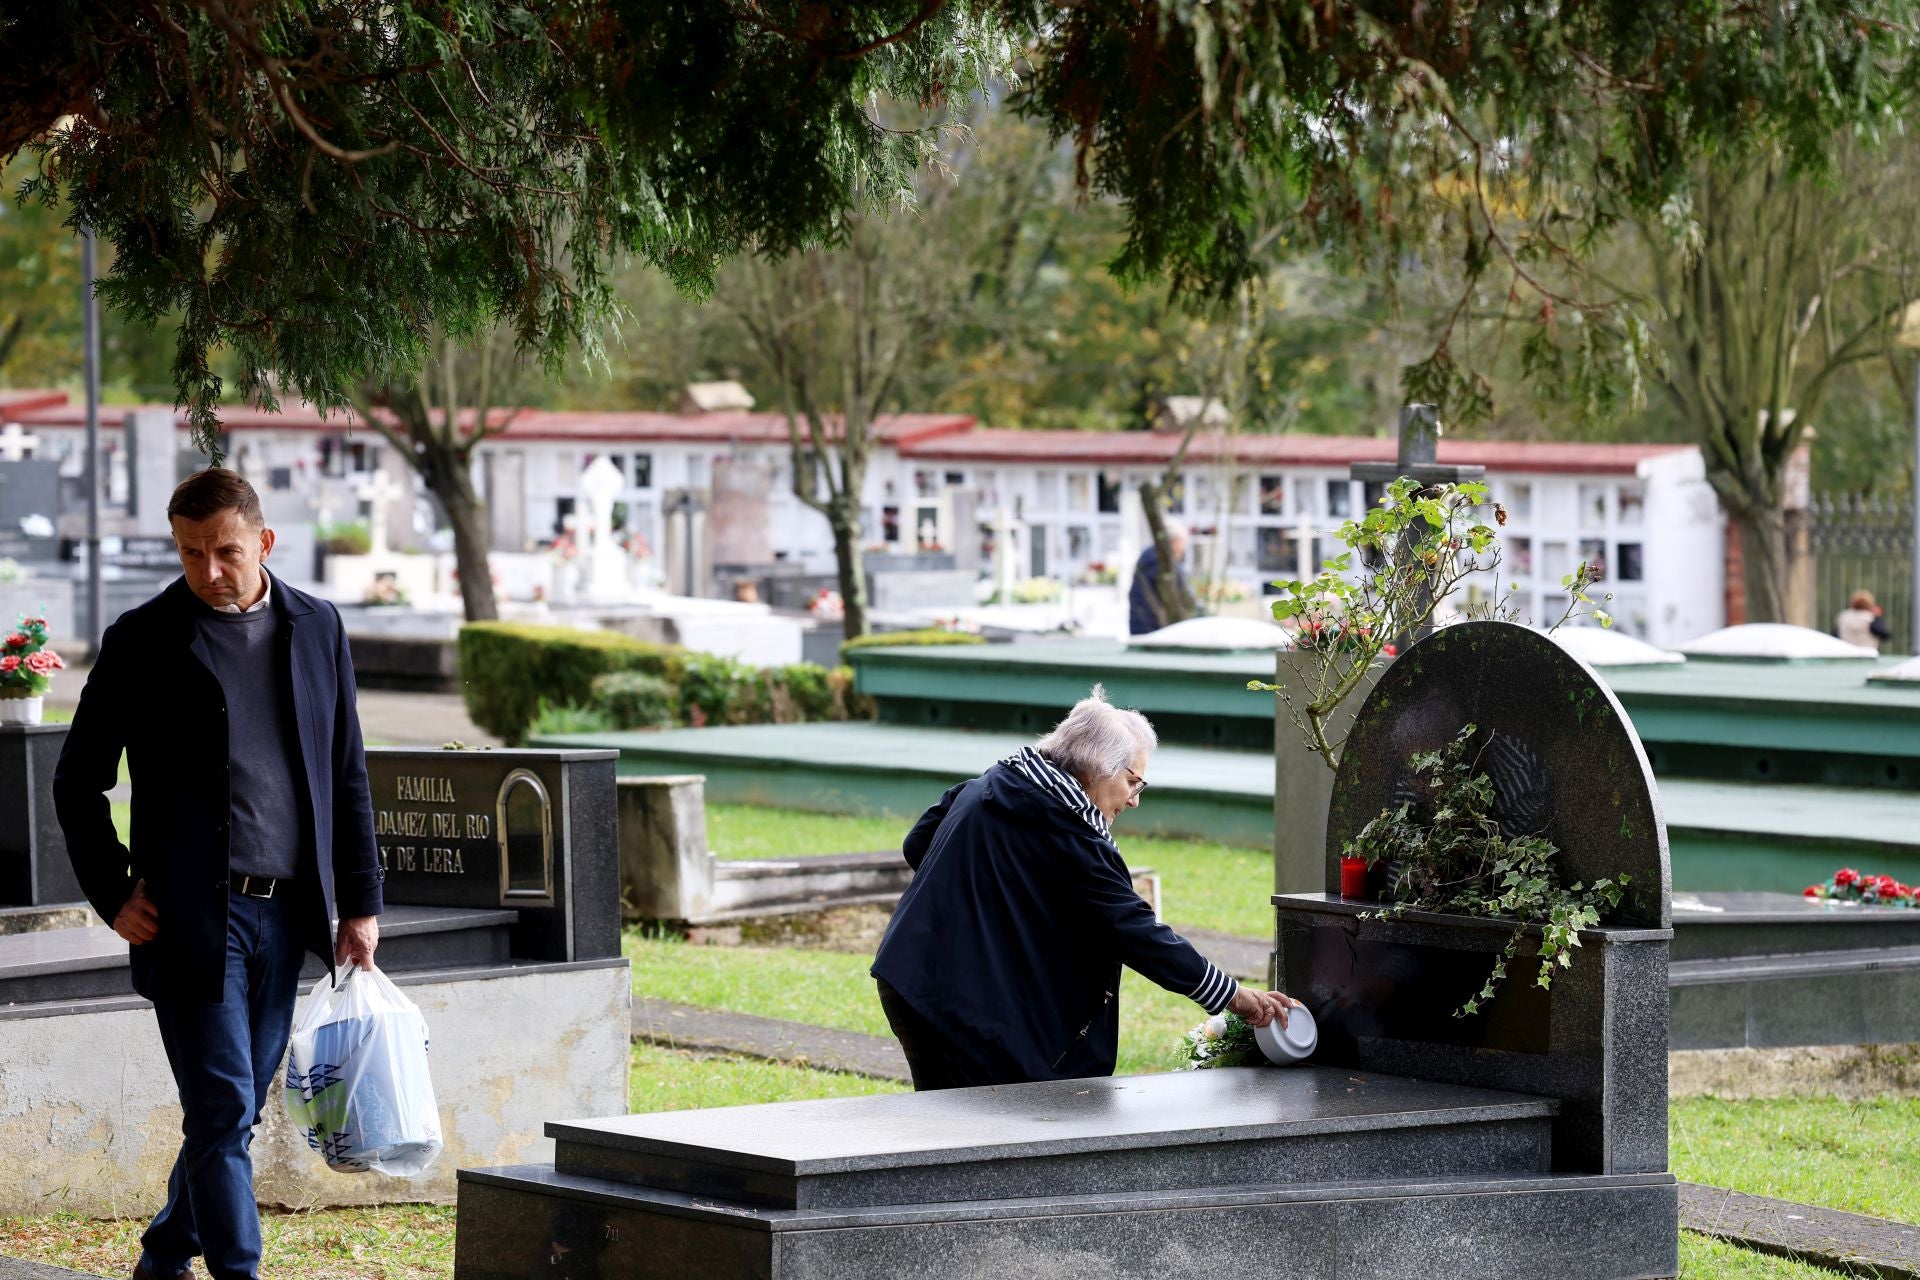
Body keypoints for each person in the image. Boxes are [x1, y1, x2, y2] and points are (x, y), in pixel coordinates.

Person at [53, 468, 385, 1280]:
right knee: (221, 1106)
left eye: (225, 551)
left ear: (263, 542)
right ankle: (239, 1272)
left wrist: (361, 903)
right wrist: (111, 890)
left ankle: (166, 1253)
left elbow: (346, 771)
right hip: (191, 920)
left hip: (289, 914)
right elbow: (76, 778)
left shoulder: (318, 626)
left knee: (226, 1115)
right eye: (190, 552)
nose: (207, 570)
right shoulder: (144, 637)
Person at [871, 686, 1298, 1089]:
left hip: (908, 977)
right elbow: (1137, 933)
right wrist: (1234, 996)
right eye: (1133, 782)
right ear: (1098, 767)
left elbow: (918, 845)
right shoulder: (1071, 834)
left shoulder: (990, 784)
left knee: (946, 1130)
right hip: (965, 1004)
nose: (1135, 800)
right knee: (996, 1138)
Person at [1127, 518, 1192, 634]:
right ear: (1174, 542)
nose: (1183, 549)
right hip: (1153, 630)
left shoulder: (1149, 556)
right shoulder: (1162, 562)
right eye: (1183, 542)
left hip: (1143, 627)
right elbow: (1185, 598)